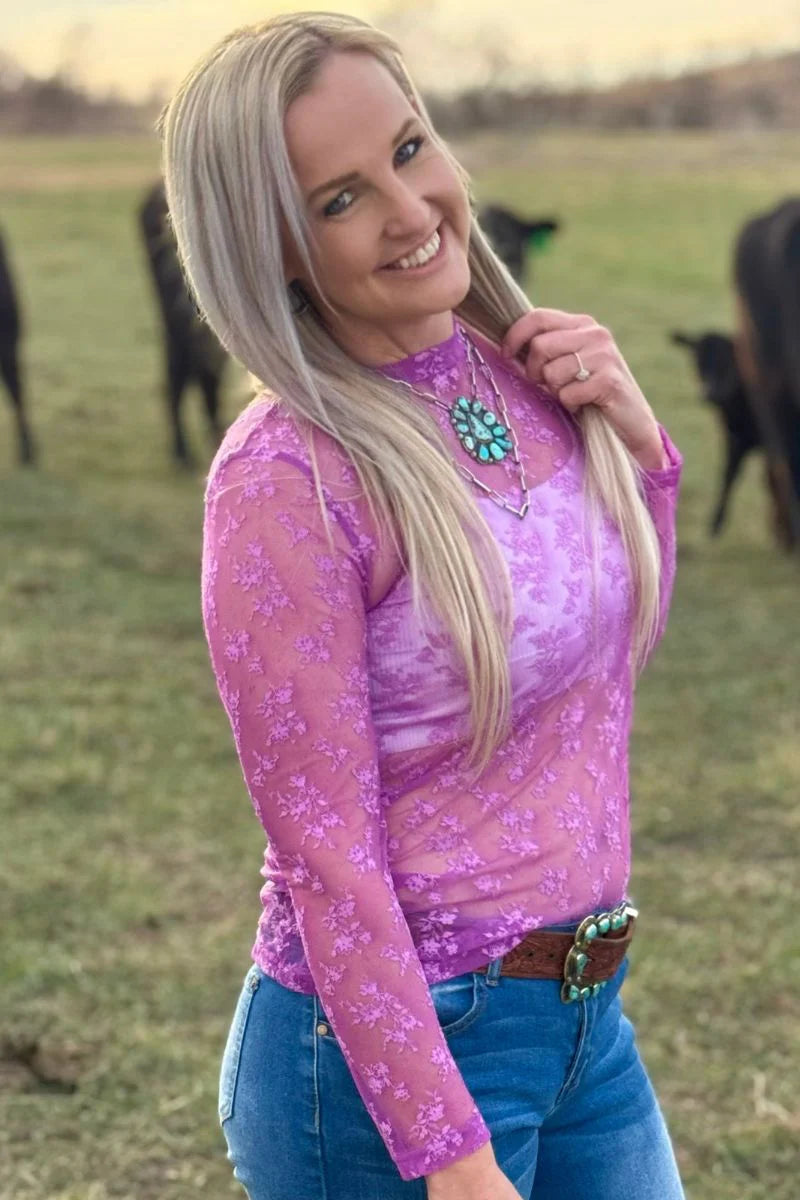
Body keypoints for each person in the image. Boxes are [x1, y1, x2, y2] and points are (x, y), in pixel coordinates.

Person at [158, 12, 686, 1199]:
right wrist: (447, 1154)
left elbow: (595, 679)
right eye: (339, 199)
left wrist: (641, 459)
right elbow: (324, 855)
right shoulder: (285, 481)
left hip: (583, 1025)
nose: (408, 210)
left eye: (407, 149)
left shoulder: (523, 373)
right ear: (272, 247)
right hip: (395, 1073)